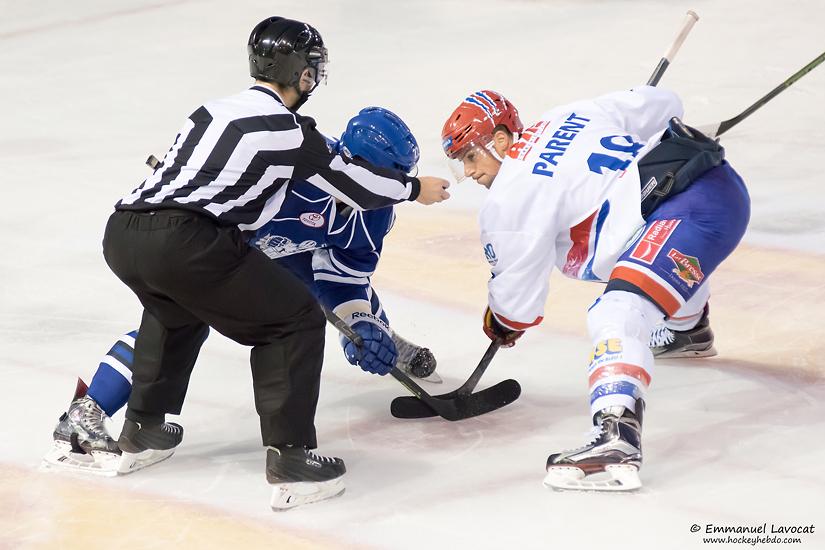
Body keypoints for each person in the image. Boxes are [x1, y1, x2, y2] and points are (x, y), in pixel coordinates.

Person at [100, 16, 450, 510]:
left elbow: (343, 272)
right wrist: (416, 190)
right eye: (311, 69)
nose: (314, 79)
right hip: (195, 241)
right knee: (295, 321)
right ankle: (292, 460)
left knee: (176, 314)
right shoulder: (293, 137)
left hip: (126, 231)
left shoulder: (212, 109)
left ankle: (143, 429)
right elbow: (354, 183)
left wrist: (362, 321)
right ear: (300, 72)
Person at [43, 106, 440, 479]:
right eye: (389, 176)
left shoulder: (377, 211)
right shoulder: (300, 171)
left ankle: (381, 337)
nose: (393, 188)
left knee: (338, 309)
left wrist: (359, 322)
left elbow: (344, 276)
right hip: (230, 248)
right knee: (183, 317)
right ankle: (89, 409)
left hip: (289, 253)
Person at [441, 87, 749, 491]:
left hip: (690, 214)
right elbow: (666, 103)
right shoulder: (566, 114)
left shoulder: (509, 197)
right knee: (639, 255)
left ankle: (616, 439)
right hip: (716, 186)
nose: (470, 173)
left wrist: (500, 321)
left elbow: (517, 306)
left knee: (616, 312)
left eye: (470, 156)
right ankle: (687, 328)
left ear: (501, 140)